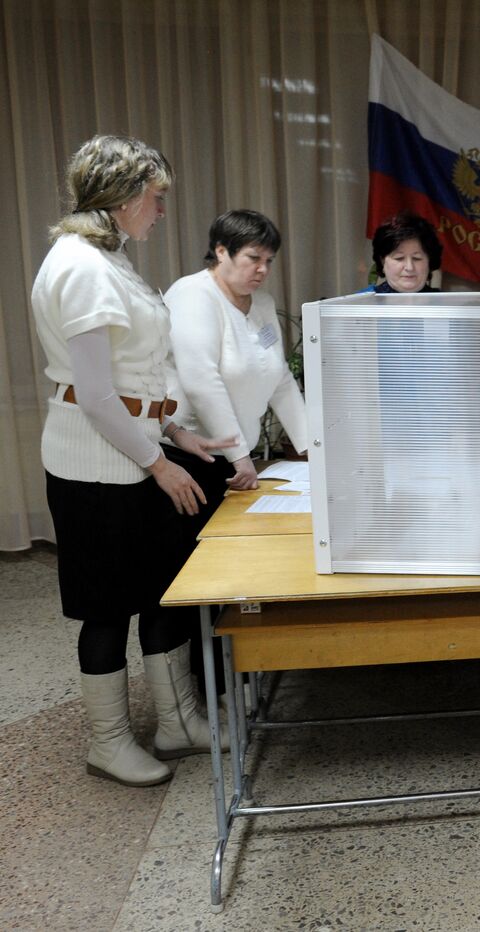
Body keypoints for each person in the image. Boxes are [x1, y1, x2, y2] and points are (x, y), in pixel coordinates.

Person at [31, 134, 233, 787]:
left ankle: (177, 723)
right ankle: (108, 742)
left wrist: (175, 432)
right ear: (121, 198)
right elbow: (92, 394)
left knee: (158, 591)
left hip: (132, 451)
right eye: (155, 198)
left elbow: (130, 376)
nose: (161, 212)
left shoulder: (106, 258)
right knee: (107, 607)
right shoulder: (82, 268)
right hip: (98, 467)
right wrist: (159, 464)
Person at [166, 209, 308, 500]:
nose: (263, 269)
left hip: (237, 460)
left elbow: (279, 379)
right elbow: (201, 380)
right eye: (253, 258)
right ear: (221, 252)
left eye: (269, 261)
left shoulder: (263, 304)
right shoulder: (193, 294)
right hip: (191, 458)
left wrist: (311, 447)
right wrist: (239, 456)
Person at [367, 211, 443, 293]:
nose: (409, 268)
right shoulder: (361, 303)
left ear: (430, 262)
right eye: (399, 258)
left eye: (417, 258)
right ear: (382, 262)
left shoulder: (447, 304)